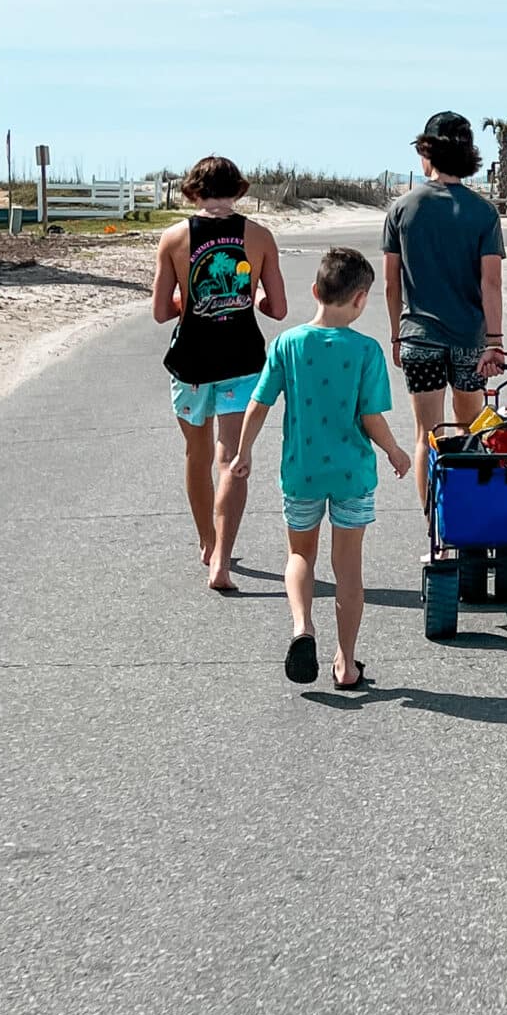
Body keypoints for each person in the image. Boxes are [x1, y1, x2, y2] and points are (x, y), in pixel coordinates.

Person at [229, 247, 411, 688]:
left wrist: (243, 451)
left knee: (299, 555)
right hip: (352, 475)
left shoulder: (287, 344)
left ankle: (301, 628)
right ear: (361, 299)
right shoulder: (365, 351)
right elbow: (371, 418)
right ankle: (346, 663)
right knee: (348, 568)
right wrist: (394, 451)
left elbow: (259, 403)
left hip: (301, 471)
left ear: (315, 291)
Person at [151, 155, 287, 592]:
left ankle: (207, 542)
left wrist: (190, 304)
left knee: (198, 454)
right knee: (233, 458)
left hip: (191, 361)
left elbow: (160, 311)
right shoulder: (260, 236)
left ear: (193, 191)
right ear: (239, 191)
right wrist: (249, 301)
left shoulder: (173, 238)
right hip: (242, 359)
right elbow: (278, 308)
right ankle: (223, 561)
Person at [382, 112, 507, 509]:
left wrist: (396, 335)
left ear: (428, 152)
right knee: (470, 429)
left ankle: (434, 536)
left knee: (427, 434)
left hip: (418, 336)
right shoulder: (483, 212)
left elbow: (391, 284)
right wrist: (496, 342)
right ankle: (468, 521)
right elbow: (491, 284)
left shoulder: (402, 209)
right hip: (470, 339)